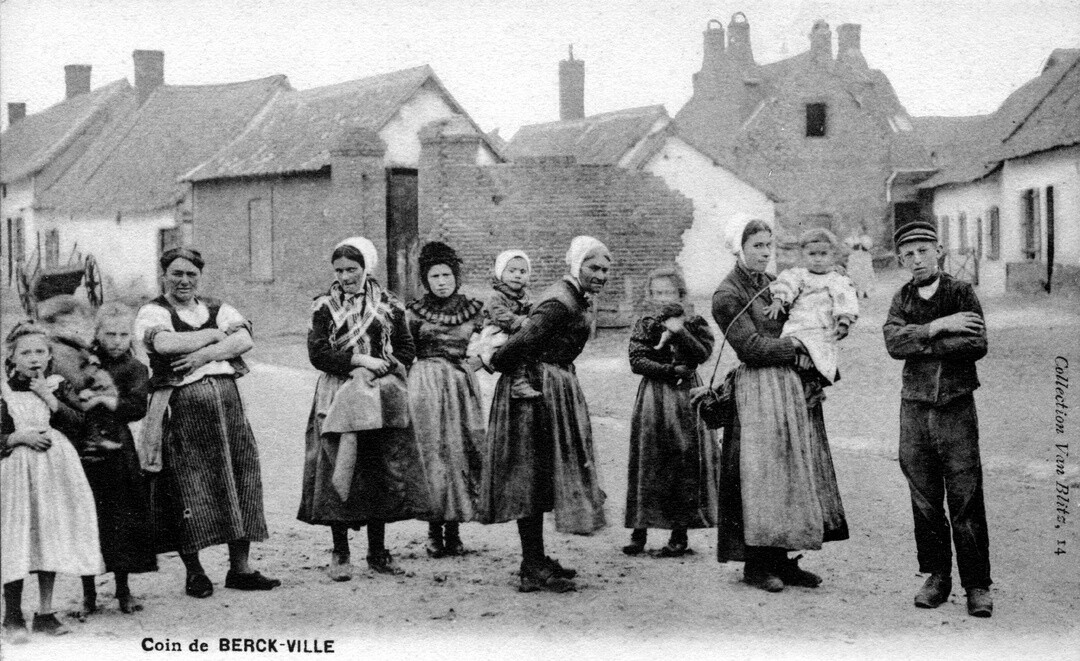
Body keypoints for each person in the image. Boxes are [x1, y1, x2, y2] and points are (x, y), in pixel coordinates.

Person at [707, 217, 848, 593]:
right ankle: (756, 565)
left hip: (789, 386)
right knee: (761, 477)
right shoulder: (728, 295)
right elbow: (751, 347)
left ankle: (783, 561)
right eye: (757, 246)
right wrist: (800, 348)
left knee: (790, 472)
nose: (765, 253)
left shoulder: (775, 285)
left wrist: (816, 361)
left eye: (769, 246)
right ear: (738, 247)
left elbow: (806, 321)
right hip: (757, 390)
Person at [135, 247, 279, 599]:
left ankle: (240, 568)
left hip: (229, 411)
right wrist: (216, 335)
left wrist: (204, 354)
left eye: (191, 275)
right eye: (176, 274)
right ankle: (195, 572)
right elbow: (166, 343)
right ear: (164, 274)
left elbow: (244, 338)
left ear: (199, 277)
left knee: (241, 476)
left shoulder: (216, 307)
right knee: (188, 485)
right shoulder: (153, 311)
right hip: (182, 410)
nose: (184, 281)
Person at [479, 235, 611, 593]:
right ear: (576, 266)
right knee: (530, 477)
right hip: (534, 394)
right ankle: (531, 566)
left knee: (544, 476)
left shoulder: (578, 298)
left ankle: (535, 558)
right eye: (593, 267)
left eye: (604, 268)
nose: (600, 274)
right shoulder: (558, 302)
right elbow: (513, 349)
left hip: (553, 386)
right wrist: (509, 364)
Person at [298, 237, 429, 581]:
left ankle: (378, 552)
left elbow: (405, 347)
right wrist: (357, 360)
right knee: (336, 465)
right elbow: (318, 353)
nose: (345, 276)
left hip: (378, 394)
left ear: (366, 268)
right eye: (339, 270)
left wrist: (384, 371)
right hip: (337, 392)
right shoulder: (324, 306)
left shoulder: (389, 305)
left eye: (352, 270)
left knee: (376, 467)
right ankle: (340, 553)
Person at [882, 221, 993, 618]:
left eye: (923, 251)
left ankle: (977, 584)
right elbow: (894, 343)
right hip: (913, 409)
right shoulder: (901, 298)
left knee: (965, 496)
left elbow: (976, 343)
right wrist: (939, 326)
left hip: (955, 407)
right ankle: (936, 576)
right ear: (900, 260)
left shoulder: (961, 292)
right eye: (908, 254)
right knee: (924, 499)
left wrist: (921, 340)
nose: (917, 259)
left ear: (939, 251)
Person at [1, 323, 104, 641]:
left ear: (49, 356)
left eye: (40, 352)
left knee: (50, 535)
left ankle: (45, 612)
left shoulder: (56, 386)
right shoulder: (4, 392)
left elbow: (80, 425)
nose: (34, 359)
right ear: (12, 358)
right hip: (17, 472)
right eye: (26, 353)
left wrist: (50, 398)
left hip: (53, 472)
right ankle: (12, 616)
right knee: (16, 538)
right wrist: (18, 436)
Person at [623, 266, 717, 557]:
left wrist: (680, 332)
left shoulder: (694, 321)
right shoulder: (645, 322)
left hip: (685, 397)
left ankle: (679, 534)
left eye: (668, 292)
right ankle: (640, 532)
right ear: (650, 296)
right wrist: (668, 370)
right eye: (656, 292)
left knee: (684, 459)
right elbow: (636, 360)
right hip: (654, 395)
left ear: (680, 294)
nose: (662, 298)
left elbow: (702, 354)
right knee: (649, 457)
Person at [406, 241, 486, 557]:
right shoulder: (413, 313)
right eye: (435, 276)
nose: (442, 282)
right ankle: (433, 532)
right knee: (432, 455)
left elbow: (489, 343)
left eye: (447, 275)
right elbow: (403, 351)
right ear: (426, 279)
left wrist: (477, 363)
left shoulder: (474, 311)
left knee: (460, 453)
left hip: (460, 388)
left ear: (456, 276)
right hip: (425, 388)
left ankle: (454, 532)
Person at [77, 303, 157, 615]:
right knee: (89, 518)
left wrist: (103, 400)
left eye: (124, 334)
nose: (117, 340)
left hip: (119, 449)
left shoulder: (135, 369)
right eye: (109, 334)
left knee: (122, 519)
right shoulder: (84, 364)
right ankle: (88, 595)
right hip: (85, 447)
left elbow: (136, 407)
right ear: (97, 333)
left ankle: (123, 591)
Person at [765, 228, 859, 385]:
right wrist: (779, 300)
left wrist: (844, 321)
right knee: (791, 348)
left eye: (823, 254)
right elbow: (787, 285)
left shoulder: (837, 279)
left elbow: (845, 299)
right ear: (803, 255)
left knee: (821, 355)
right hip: (800, 324)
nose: (818, 259)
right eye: (812, 254)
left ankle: (813, 384)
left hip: (822, 327)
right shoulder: (799, 275)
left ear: (832, 255)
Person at [478, 249, 541, 399]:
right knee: (520, 347)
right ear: (501, 273)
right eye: (512, 271)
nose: (517, 275)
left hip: (510, 332)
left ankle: (527, 378)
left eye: (522, 271)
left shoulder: (524, 296)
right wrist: (520, 321)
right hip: (495, 334)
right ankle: (518, 383)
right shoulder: (496, 296)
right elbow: (500, 315)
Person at [845, 232, 876, 299]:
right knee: (860, 280)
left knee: (861, 280)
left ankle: (862, 292)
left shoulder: (861, 255)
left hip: (861, 270)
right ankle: (860, 292)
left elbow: (867, 264)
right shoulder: (857, 255)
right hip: (859, 270)